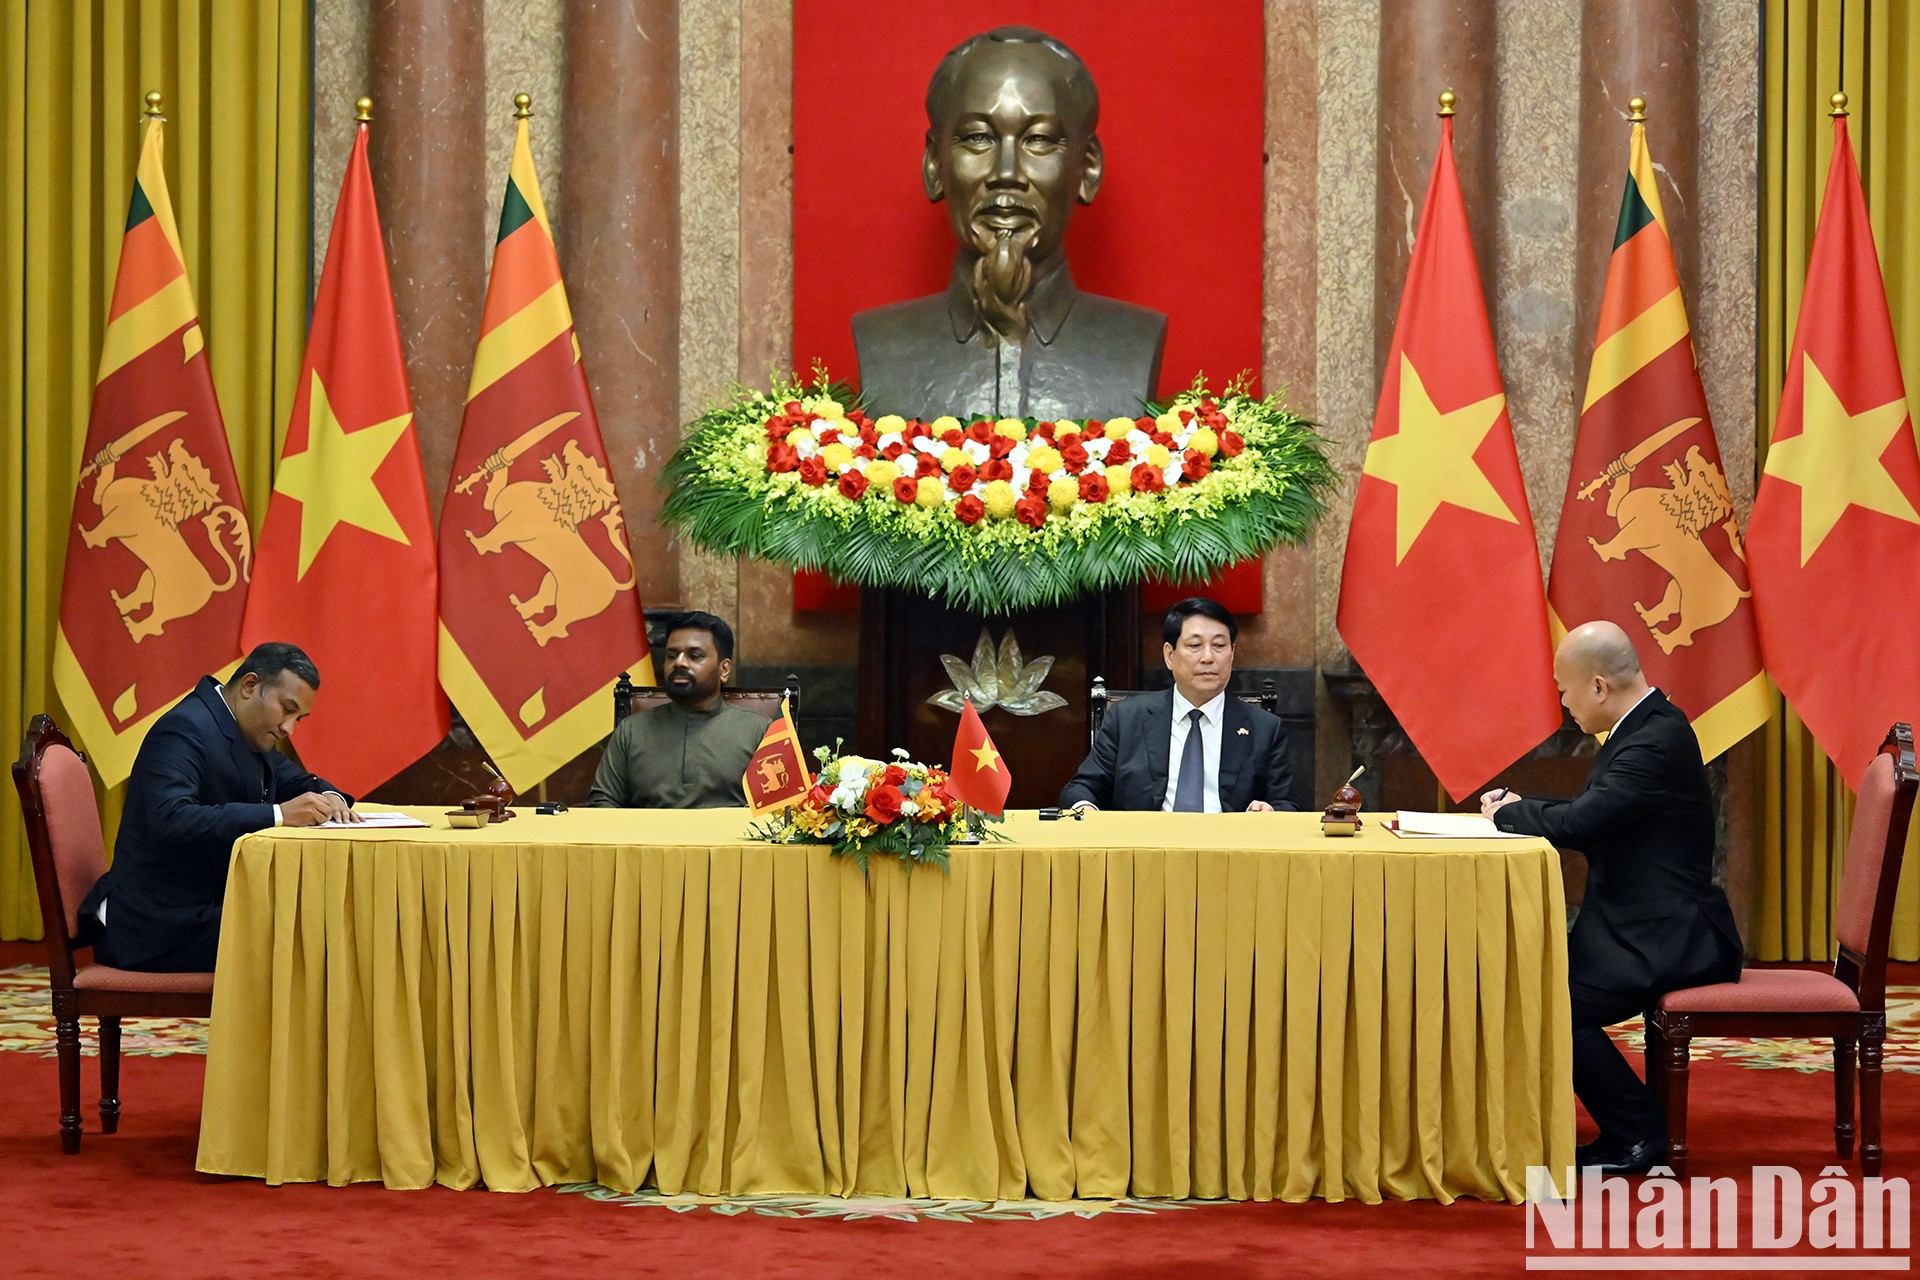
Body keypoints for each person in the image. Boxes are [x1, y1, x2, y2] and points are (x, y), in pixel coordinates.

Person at [1480, 620, 1742, 1176]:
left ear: (1598, 686)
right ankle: (1622, 1125)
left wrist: (1508, 814)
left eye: (1564, 689)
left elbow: (1585, 821)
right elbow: (1600, 807)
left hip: (1667, 935)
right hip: (1637, 925)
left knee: (1548, 999)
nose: (1562, 702)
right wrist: (1527, 805)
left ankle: (1641, 1133)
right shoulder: (1647, 726)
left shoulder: (1653, 738)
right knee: (1532, 979)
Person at [852, 25, 1166, 421]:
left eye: (1039, 140)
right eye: (977, 138)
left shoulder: (1134, 342)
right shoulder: (882, 342)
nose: (1006, 172)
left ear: (1087, 168)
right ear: (935, 165)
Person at [79, 642, 356, 973]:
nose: (288, 729)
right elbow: (171, 818)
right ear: (250, 686)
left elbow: (301, 782)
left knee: (319, 922)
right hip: (156, 922)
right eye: (286, 709)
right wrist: (279, 815)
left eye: (299, 717)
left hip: (204, 906)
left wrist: (334, 800)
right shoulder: (183, 729)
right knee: (307, 936)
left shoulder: (248, 731)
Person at [1059, 598, 1297, 812]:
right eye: (1195, 646)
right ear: (1169, 655)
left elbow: (1287, 803)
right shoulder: (1127, 718)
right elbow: (1083, 787)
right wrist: (1086, 809)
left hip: (1229, 853)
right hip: (1145, 851)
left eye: (1219, 645)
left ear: (1232, 653)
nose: (1208, 657)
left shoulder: (1264, 728)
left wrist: (1270, 812)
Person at [588, 611, 768, 809]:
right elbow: (602, 802)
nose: (679, 662)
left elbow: (780, 812)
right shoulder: (631, 730)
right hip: (646, 838)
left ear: (724, 670)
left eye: (695, 656)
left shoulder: (760, 731)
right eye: (672, 655)